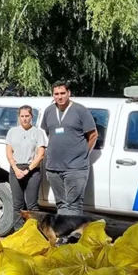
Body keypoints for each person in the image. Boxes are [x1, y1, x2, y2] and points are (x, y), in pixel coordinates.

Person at [41, 80, 98, 215]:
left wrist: (83, 154)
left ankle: (74, 236)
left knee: (74, 205)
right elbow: (49, 133)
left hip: (75, 168)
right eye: (56, 94)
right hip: (53, 167)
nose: (59, 97)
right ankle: (64, 234)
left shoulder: (80, 110)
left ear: (69, 93)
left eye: (62, 93)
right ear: (52, 95)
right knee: (61, 205)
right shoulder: (49, 111)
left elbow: (93, 135)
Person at [6, 105, 47, 231]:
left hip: (32, 170)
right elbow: (9, 152)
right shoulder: (12, 131)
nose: (24, 119)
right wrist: (15, 169)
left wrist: (28, 170)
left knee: (32, 205)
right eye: (22, 116)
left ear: (32, 117)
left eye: (27, 116)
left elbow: (40, 155)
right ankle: (18, 232)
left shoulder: (38, 133)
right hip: (16, 169)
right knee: (17, 205)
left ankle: (35, 232)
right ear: (19, 117)